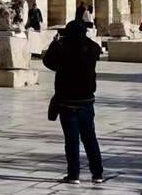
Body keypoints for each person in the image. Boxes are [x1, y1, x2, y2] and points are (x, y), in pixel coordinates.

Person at [43, 19, 105, 185]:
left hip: (67, 100)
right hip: (86, 100)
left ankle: (73, 174)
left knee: (71, 140)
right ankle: (97, 173)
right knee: (90, 138)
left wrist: (55, 44)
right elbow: (93, 49)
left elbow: (49, 63)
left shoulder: (63, 48)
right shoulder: (92, 48)